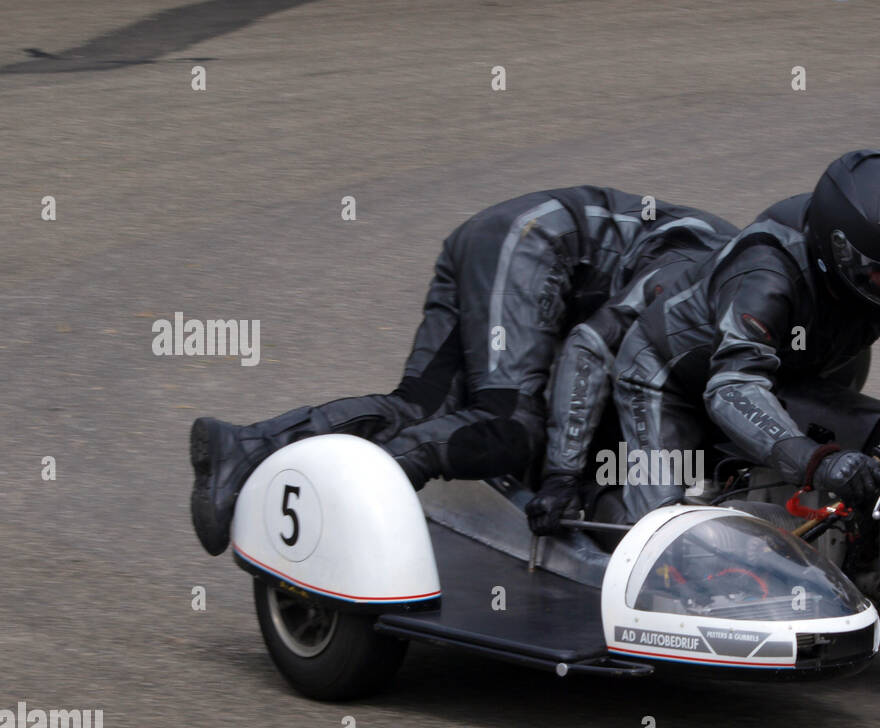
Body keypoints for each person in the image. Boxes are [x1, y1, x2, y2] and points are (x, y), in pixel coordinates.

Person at [188, 186, 734, 555]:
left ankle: (246, 446)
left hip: (505, 239)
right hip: (536, 244)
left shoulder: (745, 290)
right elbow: (590, 348)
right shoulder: (713, 285)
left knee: (422, 408)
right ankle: (354, 502)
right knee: (510, 425)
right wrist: (563, 477)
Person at [526, 149, 880, 533]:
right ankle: (595, 503)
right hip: (669, 377)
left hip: (789, 369)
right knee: (661, 538)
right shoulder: (766, 272)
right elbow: (732, 388)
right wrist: (815, 462)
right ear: (839, 253)